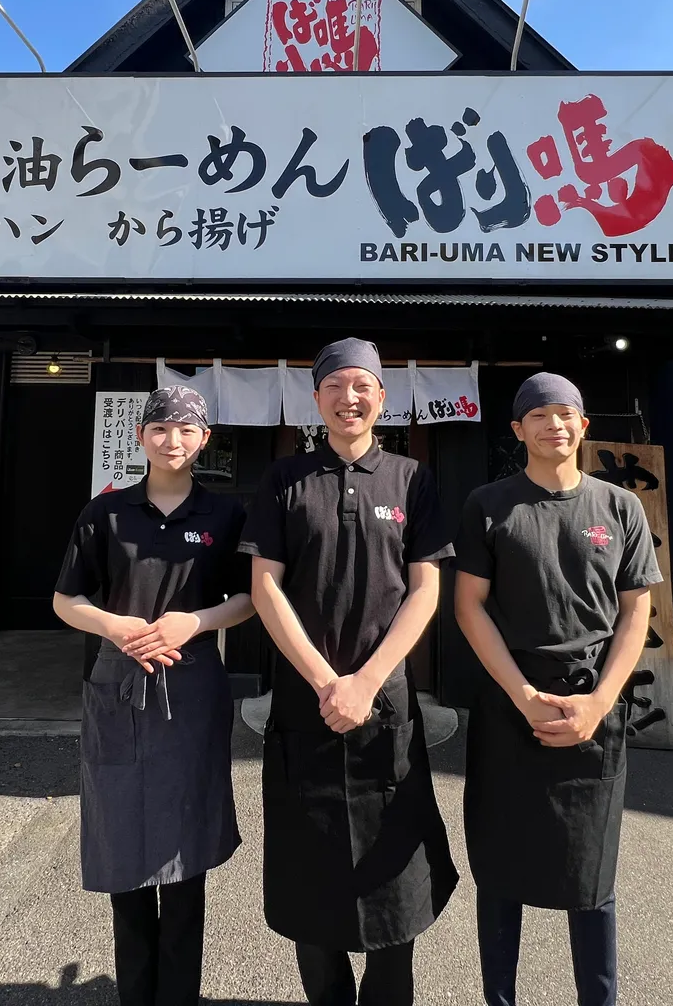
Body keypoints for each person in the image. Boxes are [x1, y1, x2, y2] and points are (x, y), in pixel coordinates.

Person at [240, 337, 458, 1006]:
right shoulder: (284, 481)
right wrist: (324, 680)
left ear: (382, 398)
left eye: (363, 385)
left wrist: (364, 681)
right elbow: (264, 586)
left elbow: (425, 590)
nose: (349, 397)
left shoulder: (413, 479)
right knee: (314, 877)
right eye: (335, 386)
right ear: (317, 400)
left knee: (395, 869)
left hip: (384, 705)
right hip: (305, 705)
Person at [452, 373, 663, 1006]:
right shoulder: (488, 505)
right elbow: (469, 607)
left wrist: (599, 703)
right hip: (508, 705)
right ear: (517, 430)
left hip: (592, 709)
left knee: (590, 873)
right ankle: (500, 997)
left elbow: (636, 611)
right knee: (500, 866)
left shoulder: (619, 505)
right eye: (538, 416)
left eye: (566, 413)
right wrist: (521, 694)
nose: (554, 425)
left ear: (583, 426)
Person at [52, 385, 254, 1006]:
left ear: (204, 440)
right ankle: (135, 994)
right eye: (160, 429)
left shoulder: (225, 517)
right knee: (125, 849)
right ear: (140, 438)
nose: (173, 441)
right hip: (116, 689)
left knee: (185, 852)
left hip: (192, 689)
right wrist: (116, 626)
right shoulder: (104, 514)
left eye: (186, 430)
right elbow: (66, 600)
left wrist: (194, 622)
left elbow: (250, 599)